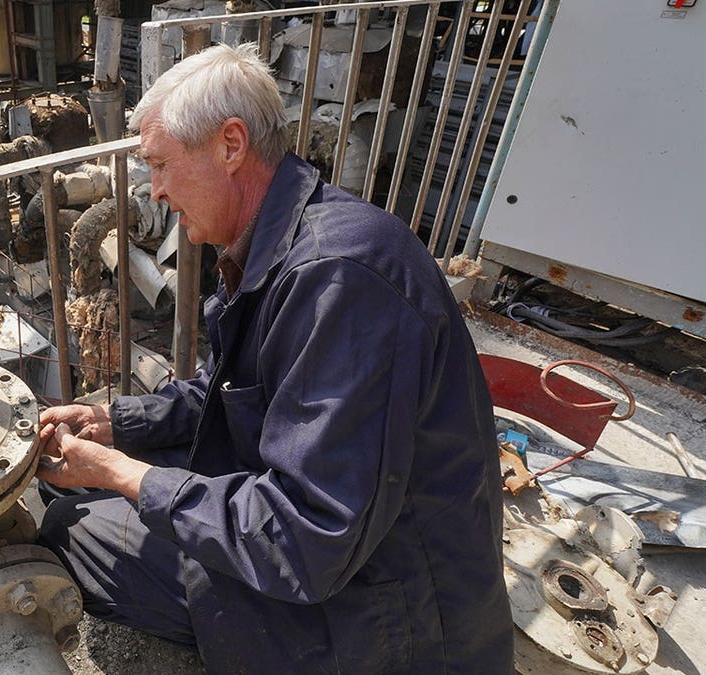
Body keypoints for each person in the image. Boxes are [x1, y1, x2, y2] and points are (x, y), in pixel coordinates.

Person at [36, 43, 513, 672]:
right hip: (353, 553)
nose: (155, 191)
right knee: (95, 495)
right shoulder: (282, 238)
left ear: (230, 145)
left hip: (384, 617)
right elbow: (225, 389)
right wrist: (117, 425)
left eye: (161, 167)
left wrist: (121, 474)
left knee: (74, 526)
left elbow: (308, 537)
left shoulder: (338, 281)